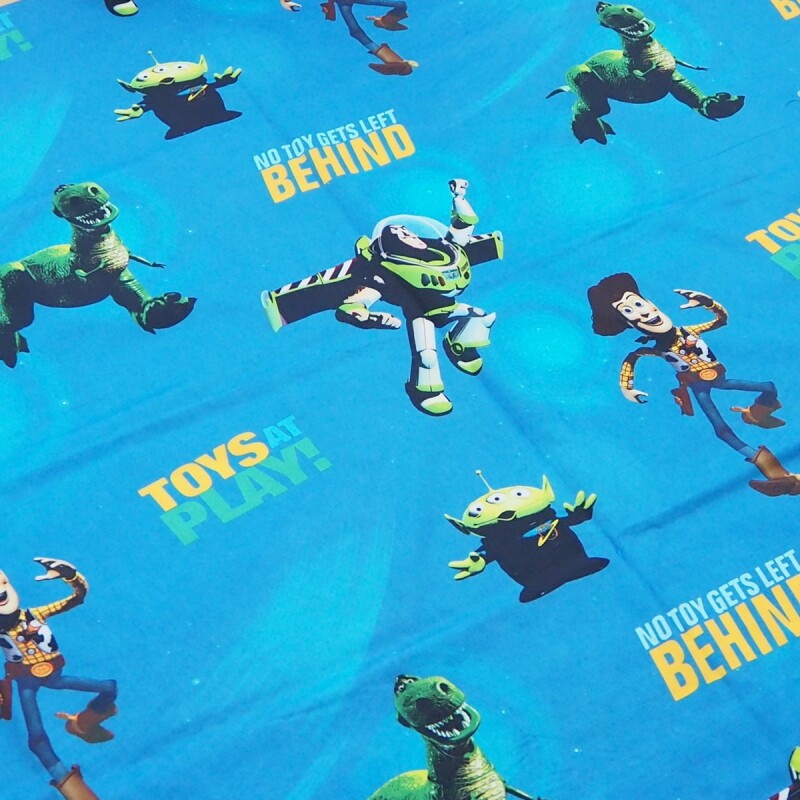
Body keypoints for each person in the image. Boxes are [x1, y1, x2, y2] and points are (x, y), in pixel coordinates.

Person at [588, 272, 800, 496]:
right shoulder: (657, 349)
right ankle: (775, 472)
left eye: (639, 304)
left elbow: (720, 320)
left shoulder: (689, 331)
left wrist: (708, 303)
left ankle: (756, 414)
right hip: (698, 387)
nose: (643, 313)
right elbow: (633, 357)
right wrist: (627, 386)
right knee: (721, 429)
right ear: (629, 323)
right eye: (630, 311)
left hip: (718, 377)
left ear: (650, 303)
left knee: (768, 387)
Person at [0, 558, 117, 800]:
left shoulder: (35, 614)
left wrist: (70, 576)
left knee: (108, 688)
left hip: (52, 673)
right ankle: (72, 787)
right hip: (25, 681)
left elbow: (76, 598)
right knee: (36, 737)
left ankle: (85, 724)